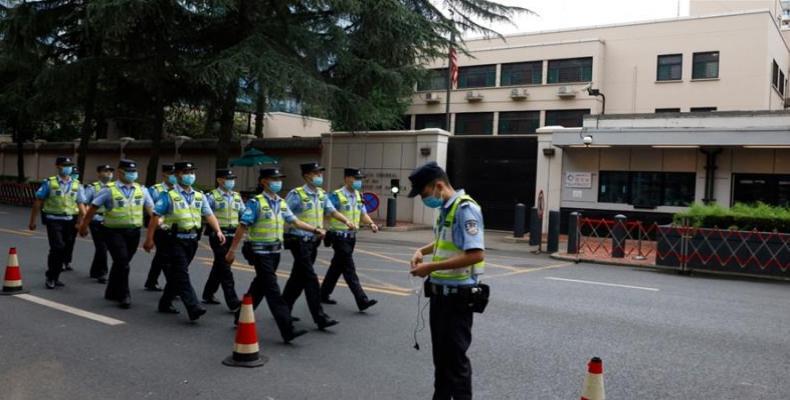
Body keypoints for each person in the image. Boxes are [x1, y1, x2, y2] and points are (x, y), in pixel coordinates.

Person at [408, 161, 486, 400]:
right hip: (441, 297)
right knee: (441, 360)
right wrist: (423, 250)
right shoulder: (445, 208)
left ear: (438, 185)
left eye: (424, 194)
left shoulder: (465, 209)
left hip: (457, 300)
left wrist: (431, 267)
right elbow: (444, 242)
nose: (424, 200)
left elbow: (475, 253)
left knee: (456, 363)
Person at [224, 167, 325, 342]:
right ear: (263, 181)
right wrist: (232, 250)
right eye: (274, 179)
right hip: (260, 252)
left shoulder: (281, 202)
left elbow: (294, 221)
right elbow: (242, 226)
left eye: (279, 179)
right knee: (272, 290)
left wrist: (315, 229)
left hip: (275, 252)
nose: (278, 182)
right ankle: (287, 329)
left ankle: (240, 315)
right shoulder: (256, 203)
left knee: (260, 286)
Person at [143, 161, 225, 322]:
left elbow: (208, 214)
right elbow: (155, 216)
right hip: (174, 240)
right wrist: (149, 238)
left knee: (177, 275)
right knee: (182, 273)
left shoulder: (199, 196)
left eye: (192, 172)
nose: (190, 175)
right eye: (186, 172)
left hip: (192, 240)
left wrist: (218, 230)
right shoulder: (168, 195)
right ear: (177, 175)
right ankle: (193, 307)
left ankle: (165, 303)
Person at [281, 162, 353, 329]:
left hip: (313, 242)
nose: (320, 176)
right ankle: (320, 317)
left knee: (297, 278)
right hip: (298, 241)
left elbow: (331, 211)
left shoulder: (321, 194)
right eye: (316, 173)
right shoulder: (296, 194)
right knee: (311, 279)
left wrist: (346, 220)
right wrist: (311, 228)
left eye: (320, 173)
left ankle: (283, 310)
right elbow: (285, 214)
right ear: (307, 176)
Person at [79, 160, 153, 308]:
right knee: (123, 263)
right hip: (113, 231)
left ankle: (111, 291)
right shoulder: (109, 189)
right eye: (128, 171)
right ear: (120, 172)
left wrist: (157, 228)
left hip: (134, 232)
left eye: (134, 171)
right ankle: (124, 294)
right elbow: (93, 208)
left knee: (121, 263)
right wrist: (83, 225)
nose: (132, 174)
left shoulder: (142, 190)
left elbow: (151, 210)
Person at [320, 168, 379, 311]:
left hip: (351, 238)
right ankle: (362, 300)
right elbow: (328, 212)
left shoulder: (359, 196)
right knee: (349, 269)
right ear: (347, 178)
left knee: (336, 267)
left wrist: (371, 223)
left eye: (360, 179)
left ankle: (322, 294)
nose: (358, 181)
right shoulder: (336, 195)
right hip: (339, 237)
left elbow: (363, 214)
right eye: (355, 178)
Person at [28, 156, 85, 289]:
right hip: (53, 220)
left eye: (70, 165)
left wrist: (84, 221)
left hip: (70, 221)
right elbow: (38, 202)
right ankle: (51, 277)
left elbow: (81, 203)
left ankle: (56, 275)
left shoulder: (77, 184)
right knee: (57, 247)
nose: (68, 168)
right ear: (57, 166)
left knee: (64, 249)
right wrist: (32, 221)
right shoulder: (49, 183)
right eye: (65, 165)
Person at [201, 168, 243, 311]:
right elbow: (206, 214)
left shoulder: (237, 196)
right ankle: (233, 301)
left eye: (232, 179)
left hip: (233, 234)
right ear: (219, 180)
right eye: (227, 178)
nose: (231, 182)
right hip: (218, 235)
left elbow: (243, 214)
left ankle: (208, 293)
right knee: (225, 267)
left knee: (220, 266)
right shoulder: (211, 196)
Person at [144, 164, 177, 291]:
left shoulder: (178, 190)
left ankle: (151, 281)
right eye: (171, 174)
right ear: (164, 175)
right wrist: (158, 223)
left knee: (161, 255)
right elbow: (150, 209)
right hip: (159, 227)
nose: (174, 177)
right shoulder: (155, 190)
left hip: (172, 227)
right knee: (165, 256)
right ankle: (174, 286)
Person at [82, 164, 115, 283]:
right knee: (102, 247)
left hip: (110, 221)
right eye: (105, 171)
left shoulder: (114, 187)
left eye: (110, 171)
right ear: (99, 174)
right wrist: (84, 221)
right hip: (96, 220)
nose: (109, 173)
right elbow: (84, 204)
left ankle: (95, 270)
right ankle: (102, 273)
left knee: (103, 248)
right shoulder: (92, 187)